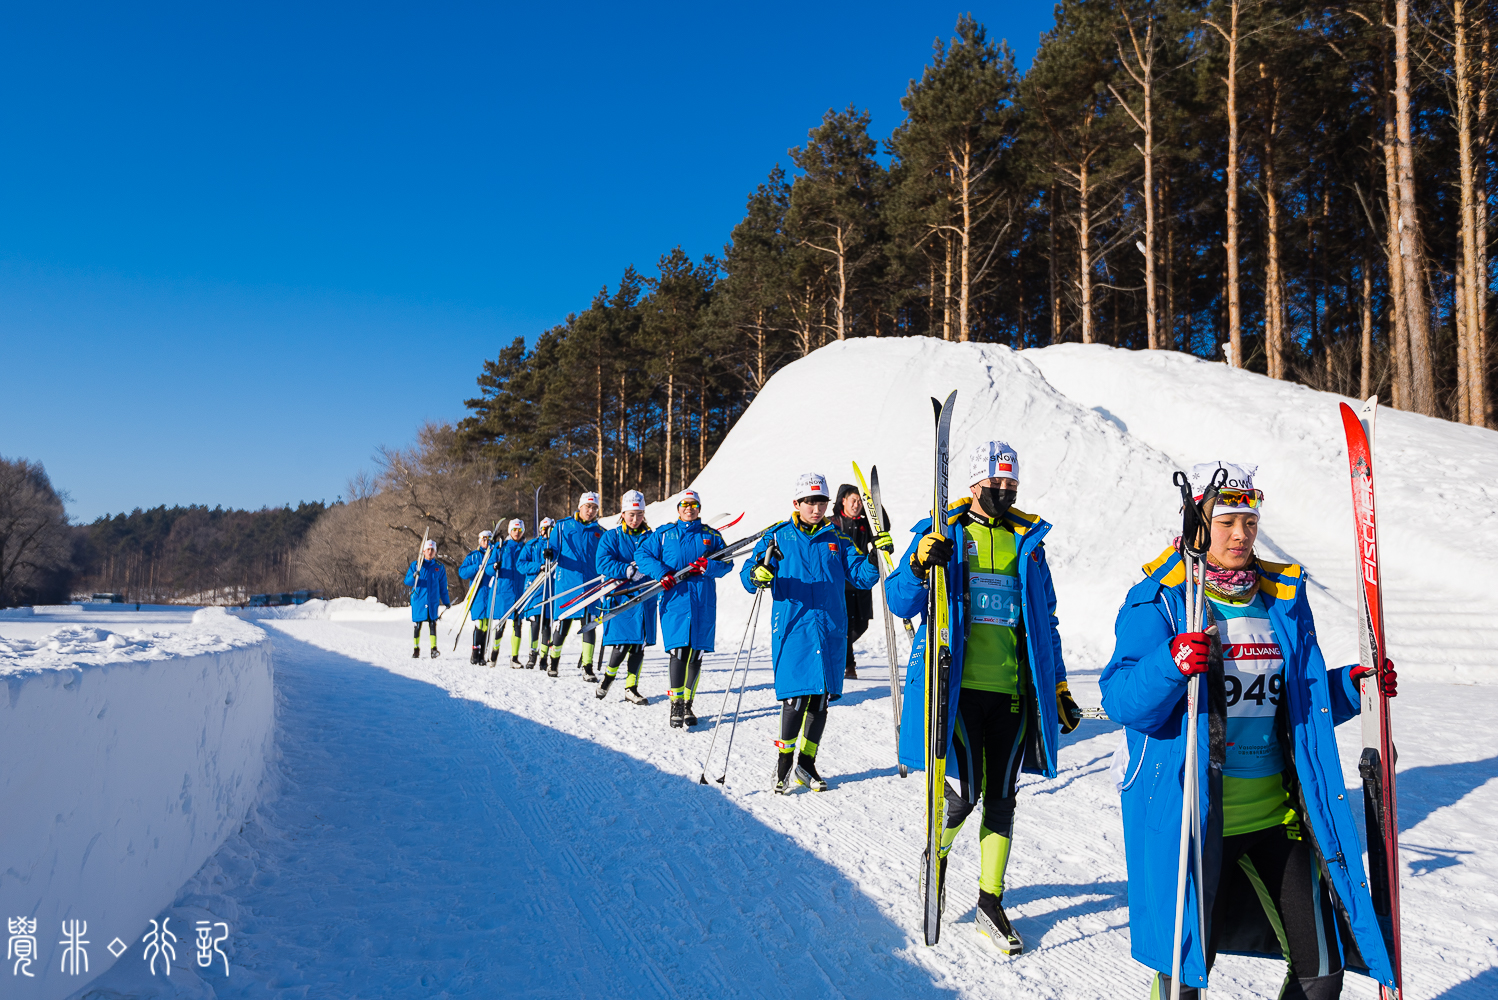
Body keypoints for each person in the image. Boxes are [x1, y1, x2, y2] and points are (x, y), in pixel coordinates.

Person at [1100, 462, 1398, 999]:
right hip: (1194, 819)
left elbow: (1293, 700)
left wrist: (1355, 688)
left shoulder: (1279, 599)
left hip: (1275, 818)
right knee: (1184, 975)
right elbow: (1120, 699)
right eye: (1226, 522)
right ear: (1197, 525)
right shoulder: (1160, 599)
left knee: (1323, 972)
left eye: (1251, 522)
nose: (1241, 535)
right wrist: (1171, 663)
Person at [886, 441, 1079, 956]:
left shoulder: (1027, 539)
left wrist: (1057, 686)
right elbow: (898, 600)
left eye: (1012, 486)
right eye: (996, 485)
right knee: (966, 793)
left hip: (1013, 691)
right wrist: (919, 563)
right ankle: (938, 856)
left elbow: (1045, 620)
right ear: (974, 484)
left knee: (1003, 798)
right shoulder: (943, 532)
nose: (1004, 492)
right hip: (958, 689)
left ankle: (990, 903)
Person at [742, 472, 885, 793]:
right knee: (795, 699)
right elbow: (748, 574)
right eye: (810, 502)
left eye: (821, 502)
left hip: (829, 629)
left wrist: (875, 557)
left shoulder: (837, 538)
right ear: (797, 503)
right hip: (793, 629)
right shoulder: (778, 537)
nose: (816, 508)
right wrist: (758, 573)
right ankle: (783, 764)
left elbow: (861, 576)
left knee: (820, 701)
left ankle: (806, 765)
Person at [636, 489, 731, 728]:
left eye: (693, 504)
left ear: (699, 508)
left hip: (702, 601)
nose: (689, 508)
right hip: (675, 599)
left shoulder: (711, 535)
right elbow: (642, 554)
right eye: (684, 504)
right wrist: (661, 573)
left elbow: (727, 562)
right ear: (678, 508)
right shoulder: (664, 534)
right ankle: (676, 704)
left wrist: (709, 566)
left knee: (696, 654)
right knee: (678, 652)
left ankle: (688, 703)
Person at [593, 490, 657, 703]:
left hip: (645, 596)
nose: (635, 519)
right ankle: (608, 678)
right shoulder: (612, 536)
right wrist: (626, 570)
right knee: (622, 644)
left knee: (638, 645)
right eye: (631, 514)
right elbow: (602, 562)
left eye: (639, 514)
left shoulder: (651, 536)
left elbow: (660, 559)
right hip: (621, 596)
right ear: (623, 513)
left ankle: (631, 687)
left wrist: (649, 568)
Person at [543, 492, 607, 679]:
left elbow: (603, 557)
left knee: (589, 626)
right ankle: (553, 661)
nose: (591, 510)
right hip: (567, 586)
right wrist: (549, 554)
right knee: (562, 627)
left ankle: (587, 666)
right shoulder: (563, 527)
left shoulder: (600, 532)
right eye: (588, 507)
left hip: (591, 586)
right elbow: (553, 550)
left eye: (594, 507)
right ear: (580, 507)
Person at [830, 483, 887, 680]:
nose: (857, 504)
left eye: (860, 501)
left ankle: (837, 648)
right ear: (843, 501)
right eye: (853, 500)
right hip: (840, 585)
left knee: (861, 625)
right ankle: (848, 666)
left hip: (862, 580)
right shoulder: (833, 523)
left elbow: (883, 527)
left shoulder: (865, 524)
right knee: (844, 626)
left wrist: (874, 503)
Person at [492, 518, 531, 667]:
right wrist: (495, 566)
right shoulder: (501, 547)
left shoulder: (526, 547)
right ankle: (494, 652)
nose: (517, 533)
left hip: (519, 591)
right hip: (504, 591)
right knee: (501, 625)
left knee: (517, 624)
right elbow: (489, 567)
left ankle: (514, 658)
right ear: (510, 531)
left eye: (519, 530)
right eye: (514, 530)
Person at [457, 529, 500, 664]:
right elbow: (463, 572)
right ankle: (475, 652)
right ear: (479, 540)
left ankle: (482, 654)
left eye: (488, 539)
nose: (485, 542)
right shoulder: (473, 556)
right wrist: (477, 567)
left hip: (491, 593)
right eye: (483, 539)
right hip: (478, 594)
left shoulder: (495, 554)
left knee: (487, 624)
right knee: (480, 623)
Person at [518, 517, 555, 669]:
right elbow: (521, 565)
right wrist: (539, 566)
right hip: (534, 590)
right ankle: (532, 654)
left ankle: (544, 657)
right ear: (541, 530)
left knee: (546, 625)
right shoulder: (531, 545)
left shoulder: (556, 546)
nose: (548, 532)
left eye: (551, 529)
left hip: (550, 590)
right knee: (535, 623)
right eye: (546, 529)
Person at [405, 537, 450, 660]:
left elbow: (443, 586)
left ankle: (434, 649)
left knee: (432, 624)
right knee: (417, 625)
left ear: (435, 552)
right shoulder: (416, 565)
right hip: (419, 599)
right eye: (428, 549)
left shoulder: (439, 567)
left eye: (432, 550)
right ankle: (416, 649)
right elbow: (407, 581)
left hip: (432, 601)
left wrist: (446, 601)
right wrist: (414, 576)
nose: (430, 552)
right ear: (423, 551)